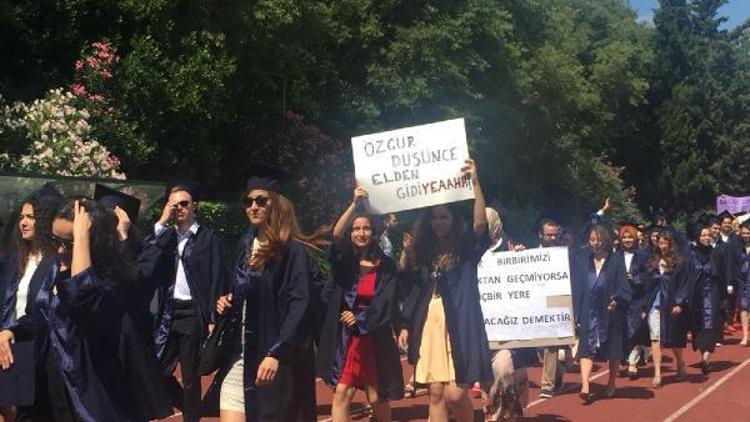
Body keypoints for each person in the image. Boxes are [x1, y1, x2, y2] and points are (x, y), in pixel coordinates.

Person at [30, 198, 170, 421]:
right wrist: (12, 330)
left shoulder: (111, 280)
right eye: (54, 239)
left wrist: (82, 237)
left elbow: (82, 299)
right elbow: (40, 314)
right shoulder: (54, 268)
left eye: (68, 243)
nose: (58, 249)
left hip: (89, 397)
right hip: (52, 390)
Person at [205, 173, 327, 421]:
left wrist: (276, 353)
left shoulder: (291, 251)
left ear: (276, 204)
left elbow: (299, 304)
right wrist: (227, 301)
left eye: (261, 201)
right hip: (240, 355)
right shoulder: (245, 245)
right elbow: (243, 291)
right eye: (248, 202)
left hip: (273, 358)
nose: (253, 207)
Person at [397, 158, 492, 422]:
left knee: (454, 394)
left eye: (444, 216)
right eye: (435, 217)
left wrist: (474, 181)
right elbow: (412, 289)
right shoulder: (425, 252)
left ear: (454, 219)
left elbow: (480, 226)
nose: (439, 222)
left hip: (458, 325)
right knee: (435, 393)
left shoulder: (465, 249)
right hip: (430, 325)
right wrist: (405, 325)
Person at [139, 185, 228, 422]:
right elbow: (145, 260)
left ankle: (191, 416)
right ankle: (191, 408)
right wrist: (160, 223)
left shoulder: (207, 240)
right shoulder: (165, 238)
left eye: (184, 203)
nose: (179, 208)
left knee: (190, 376)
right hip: (167, 313)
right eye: (173, 204)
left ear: (194, 206)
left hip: (192, 314)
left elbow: (218, 279)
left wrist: (213, 318)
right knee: (157, 369)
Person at [317, 186, 403, 421]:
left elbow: (387, 301)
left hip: (375, 335)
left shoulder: (386, 266)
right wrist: (355, 204)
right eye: (356, 229)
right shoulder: (346, 261)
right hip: (349, 339)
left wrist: (361, 318)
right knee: (342, 391)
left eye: (365, 228)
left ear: (373, 232)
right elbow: (335, 235)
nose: (361, 233)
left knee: (377, 396)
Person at [0, 188, 62, 421]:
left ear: (44, 221)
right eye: (21, 217)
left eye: (31, 217)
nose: (23, 223)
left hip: (37, 347)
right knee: (7, 409)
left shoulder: (54, 261)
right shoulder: (16, 258)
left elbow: (45, 309)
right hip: (8, 343)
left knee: (29, 413)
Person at [480, 207, 537, 422]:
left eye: (487, 224)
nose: (483, 229)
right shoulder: (469, 252)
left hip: (508, 331)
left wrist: (520, 261)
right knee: (487, 379)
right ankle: (494, 414)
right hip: (481, 330)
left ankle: (507, 414)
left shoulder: (510, 250)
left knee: (504, 370)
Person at [572, 224, 631, 403]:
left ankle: (611, 381)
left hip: (609, 311)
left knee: (612, 350)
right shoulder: (584, 260)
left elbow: (623, 285)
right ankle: (585, 385)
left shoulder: (616, 261)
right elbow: (578, 287)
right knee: (585, 348)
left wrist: (618, 299)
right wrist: (575, 311)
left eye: (598, 240)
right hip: (588, 310)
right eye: (592, 240)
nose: (595, 243)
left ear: (604, 241)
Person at [642, 230, 694, 387]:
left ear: (671, 244)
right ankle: (657, 373)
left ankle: (680, 362)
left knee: (673, 340)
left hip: (671, 304)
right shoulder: (653, 261)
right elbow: (647, 285)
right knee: (655, 338)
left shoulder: (680, 262)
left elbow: (685, 283)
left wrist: (679, 303)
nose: (662, 245)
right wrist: (645, 306)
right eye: (660, 242)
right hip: (655, 305)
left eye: (665, 242)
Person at [536, 219, 570, 398]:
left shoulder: (564, 254)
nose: (553, 237)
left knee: (551, 344)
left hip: (556, 302)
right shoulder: (529, 253)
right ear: (540, 235)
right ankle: (557, 372)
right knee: (539, 347)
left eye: (555, 234)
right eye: (549, 234)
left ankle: (547, 385)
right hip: (534, 304)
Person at [619, 223, 651, 379]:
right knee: (622, 330)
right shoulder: (615, 256)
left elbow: (649, 276)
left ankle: (633, 362)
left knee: (635, 330)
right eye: (624, 237)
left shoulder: (643, 256)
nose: (627, 240)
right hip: (620, 299)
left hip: (637, 298)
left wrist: (635, 278)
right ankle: (624, 358)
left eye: (630, 237)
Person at [690, 223, 722, 373]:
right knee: (697, 327)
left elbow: (721, 275)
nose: (706, 238)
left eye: (708, 235)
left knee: (709, 326)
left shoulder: (716, 253)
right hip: (694, 296)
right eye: (703, 235)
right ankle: (703, 356)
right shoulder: (690, 254)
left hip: (712, 295)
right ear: (697, 237)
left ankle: (705, 359)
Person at [737, 221, 750, 345]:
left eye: (748, 233)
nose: (746, 235)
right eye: (744, 233)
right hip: (743, 281)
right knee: (743, 307)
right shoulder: (738, 247)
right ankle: (745, 335)